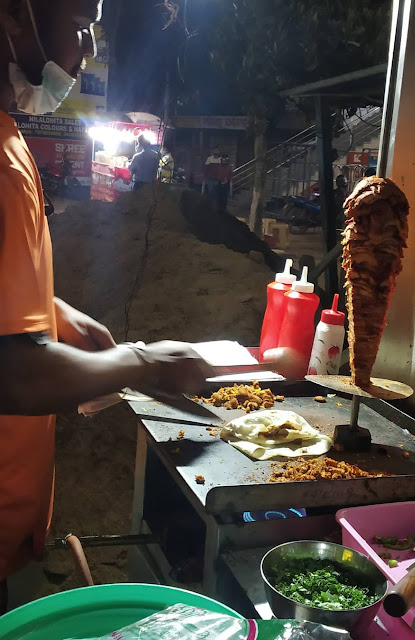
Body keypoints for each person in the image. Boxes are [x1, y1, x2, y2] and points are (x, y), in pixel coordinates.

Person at [0, 0, 213, 612]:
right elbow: (13, 374)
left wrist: (49, 308)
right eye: (82, 24)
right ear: (16, 15)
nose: (89, 48)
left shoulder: (9, 135)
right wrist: (143, 361)